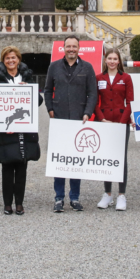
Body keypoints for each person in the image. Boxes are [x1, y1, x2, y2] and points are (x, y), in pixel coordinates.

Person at [44, 34, 98, 213]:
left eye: (74, 46)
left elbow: (93, 93)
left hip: (78, 119)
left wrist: (88, 113)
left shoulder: (87, 67)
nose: (71, 49)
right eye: (68, 46)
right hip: (58, 118)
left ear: (79, 48)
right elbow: (47, 89)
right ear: (63, 48)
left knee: (76, 161)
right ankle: (59, 198)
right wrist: (50, 108)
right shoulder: (54, 66)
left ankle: (74, 197)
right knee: (59, 160)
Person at [0, 46, 42, 215]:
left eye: (13, 58)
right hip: (6, 130)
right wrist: (3, 125)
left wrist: (29, 91)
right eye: (7, 58)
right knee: (7, 167)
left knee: (22, 167)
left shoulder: (27, 78)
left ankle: (19, 203)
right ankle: (7, 203)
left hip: (24, 130)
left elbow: (38, 101)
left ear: (19, 59)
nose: (11, 61)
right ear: (3, 61)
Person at [94, 48, 133, 211]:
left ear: (119, 61)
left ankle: (121, 195)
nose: (112, 61)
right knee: (106, 158)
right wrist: (102, 119)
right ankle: (107, 193)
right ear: (105, 60)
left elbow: (130, 102)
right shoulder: (98, 78)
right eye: (109, 58)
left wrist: (122, 122)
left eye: (115, 59)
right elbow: (95, 102)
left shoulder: (126, 78)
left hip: (120, 122)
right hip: (104, 122)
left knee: (120, 158)